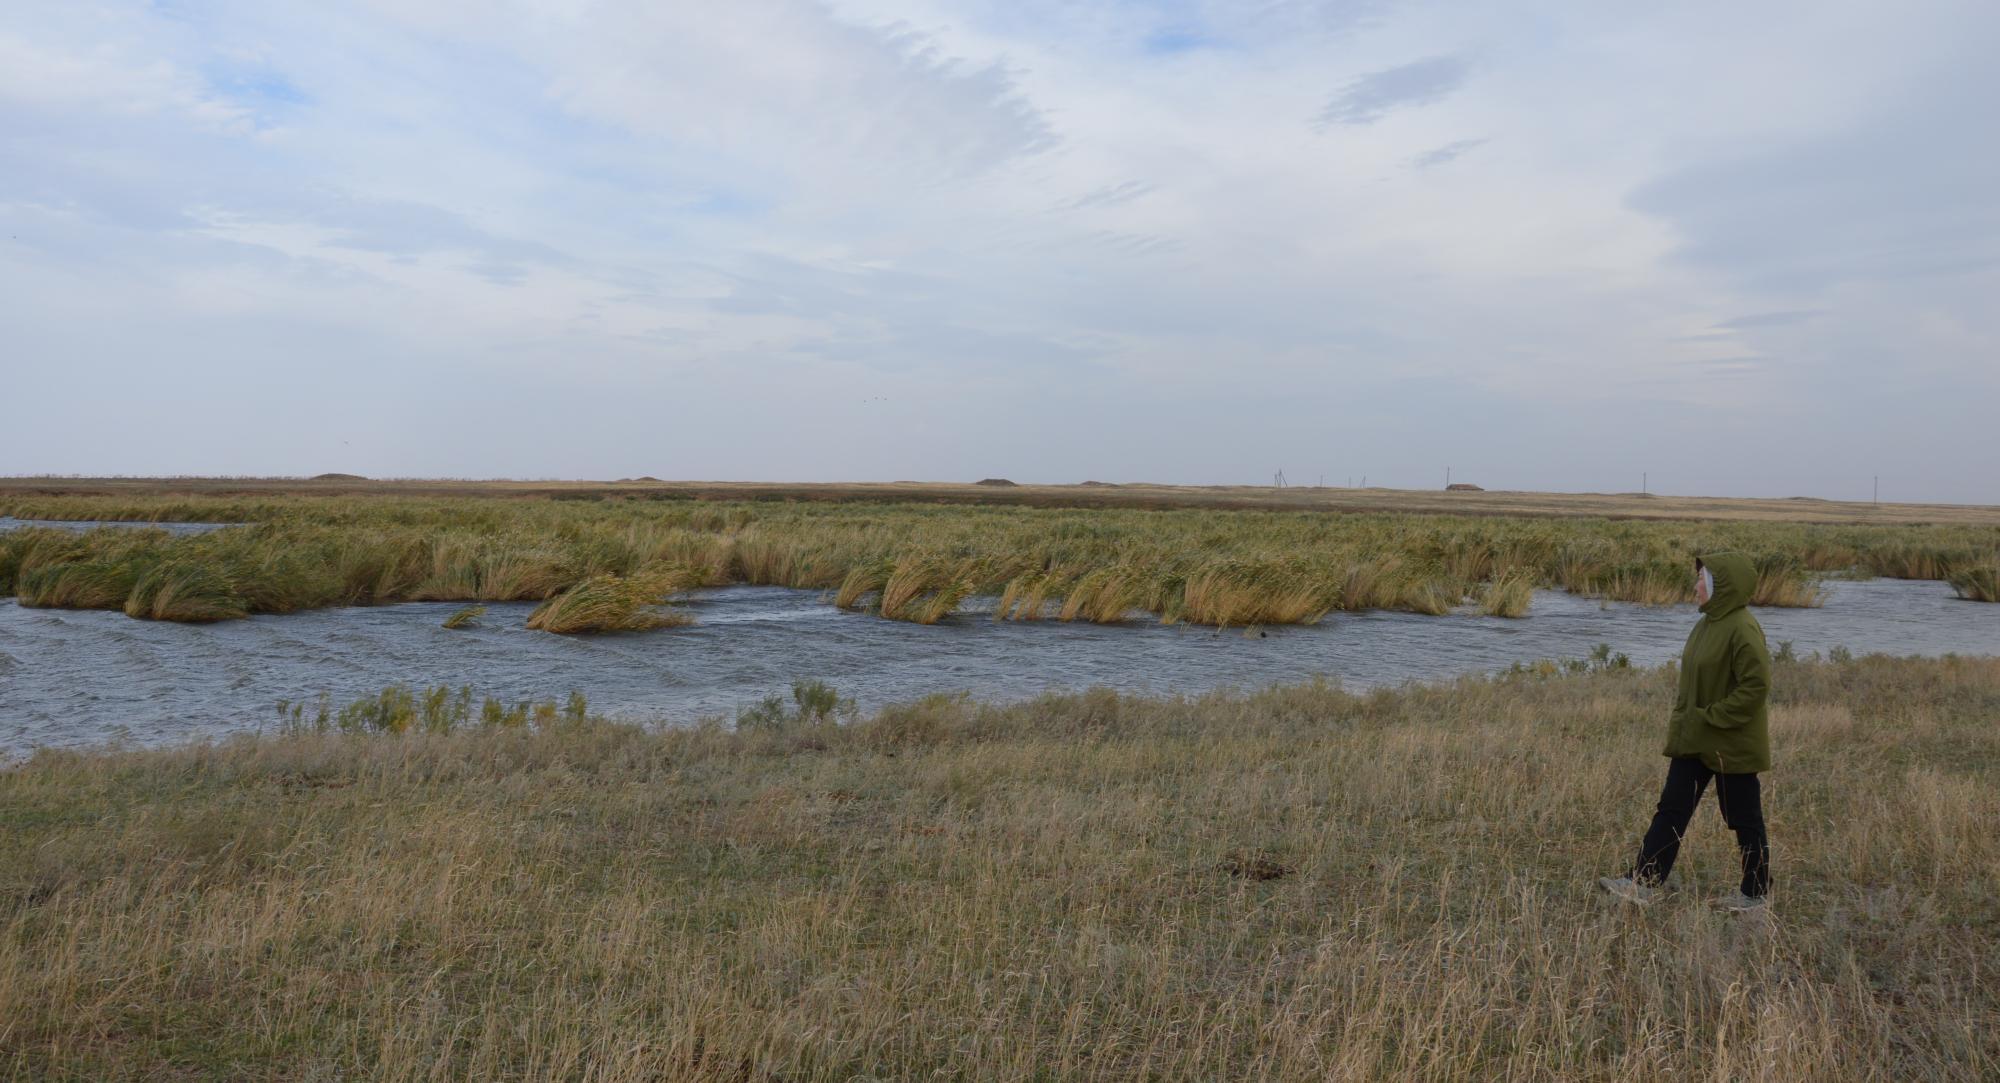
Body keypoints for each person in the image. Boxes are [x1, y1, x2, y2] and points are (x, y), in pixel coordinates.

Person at [1600, 551, 1772, 912]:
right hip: (1697, 737)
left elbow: (1755, 688)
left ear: (1720, 586)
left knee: (1745, 819)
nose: (1695, 586)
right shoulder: (1707, 623)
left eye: (1702, 580)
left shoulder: (1743, 629)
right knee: (1672, 809)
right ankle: (1642, 884)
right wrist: (1692, 719)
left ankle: (1755, 894)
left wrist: (1712, 715)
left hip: (1731, 742)